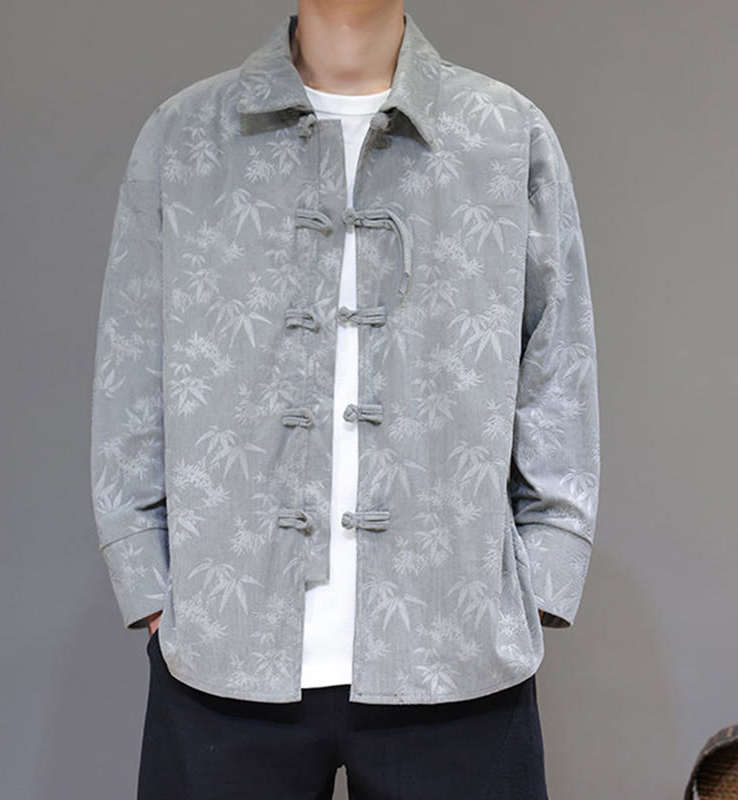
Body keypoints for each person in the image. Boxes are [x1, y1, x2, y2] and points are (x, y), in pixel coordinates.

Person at [90, 2, 601, 798]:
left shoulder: (506, 133)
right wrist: (147, 581)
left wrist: (545, 569)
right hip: (225, 652)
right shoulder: (186, 135)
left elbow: (558, 362)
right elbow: (132, 363)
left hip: (454, 652)